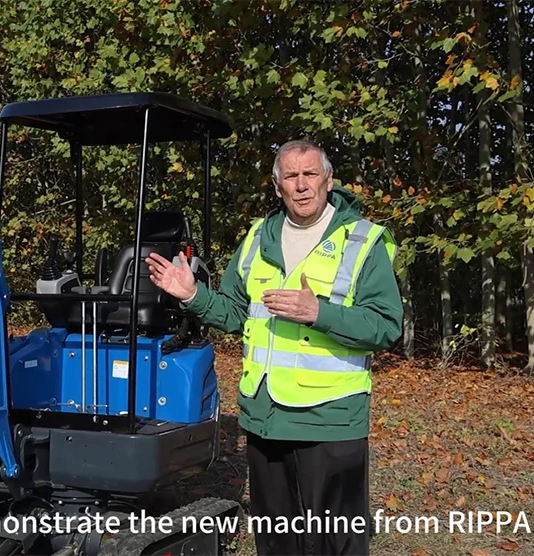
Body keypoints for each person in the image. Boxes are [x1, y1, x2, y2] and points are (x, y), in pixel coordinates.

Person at [145, 140, 403, 555]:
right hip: (266, 418)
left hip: (331, 420)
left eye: (310, 174)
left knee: (336, 543)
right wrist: (192, 295)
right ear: (277, 185)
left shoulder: (361, 241)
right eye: (291, 176)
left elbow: (387, 327)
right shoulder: (257, 238)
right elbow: (235, 313)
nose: (301, 185)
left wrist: (318, 312)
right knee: (277, 541)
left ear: (328, 180)